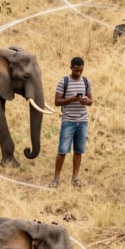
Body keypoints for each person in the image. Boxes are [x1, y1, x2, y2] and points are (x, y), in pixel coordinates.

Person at [49, 56, 92, 188]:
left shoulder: (86, 81)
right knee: (62, 150)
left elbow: (91, 100)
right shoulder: (63, 81)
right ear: (71, 68)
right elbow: (57, 102)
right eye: (76, 70)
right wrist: (72, 99)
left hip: (82, 120)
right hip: (68, 120)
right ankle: (56, 178)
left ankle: (75, 178)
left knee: (78, 150)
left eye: (81, 70)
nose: (78, 73)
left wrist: (86, 101)